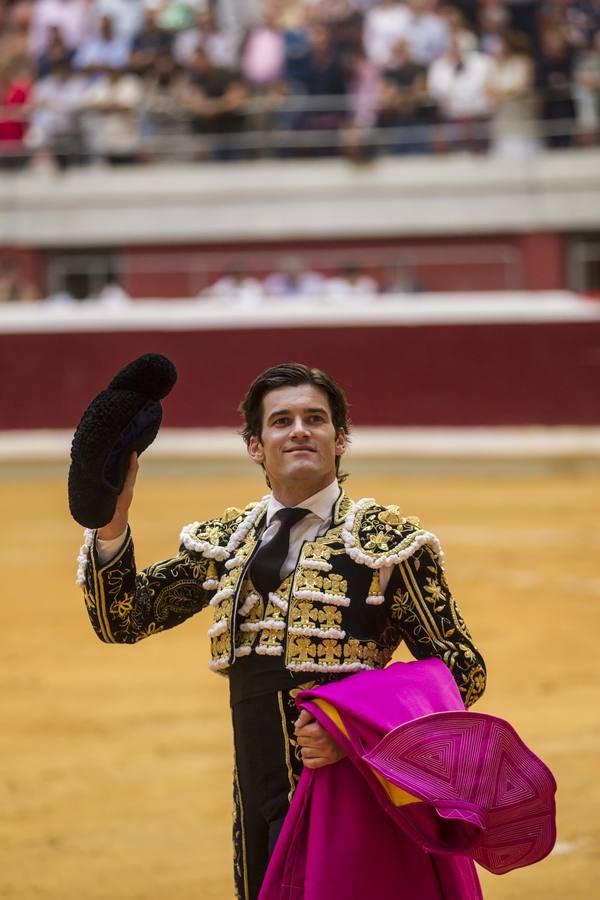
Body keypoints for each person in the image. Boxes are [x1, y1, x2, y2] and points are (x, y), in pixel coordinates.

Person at [76, 362, 486, 900]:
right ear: (255, 445)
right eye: (281, 420)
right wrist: (112, 522)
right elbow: (122, 619)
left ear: (339, 440)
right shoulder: (226, 541)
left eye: (314, 419)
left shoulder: (388, 543)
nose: (298, 430)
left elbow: (462, 670)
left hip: (354, 782)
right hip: (256, 783)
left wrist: (352, 730)